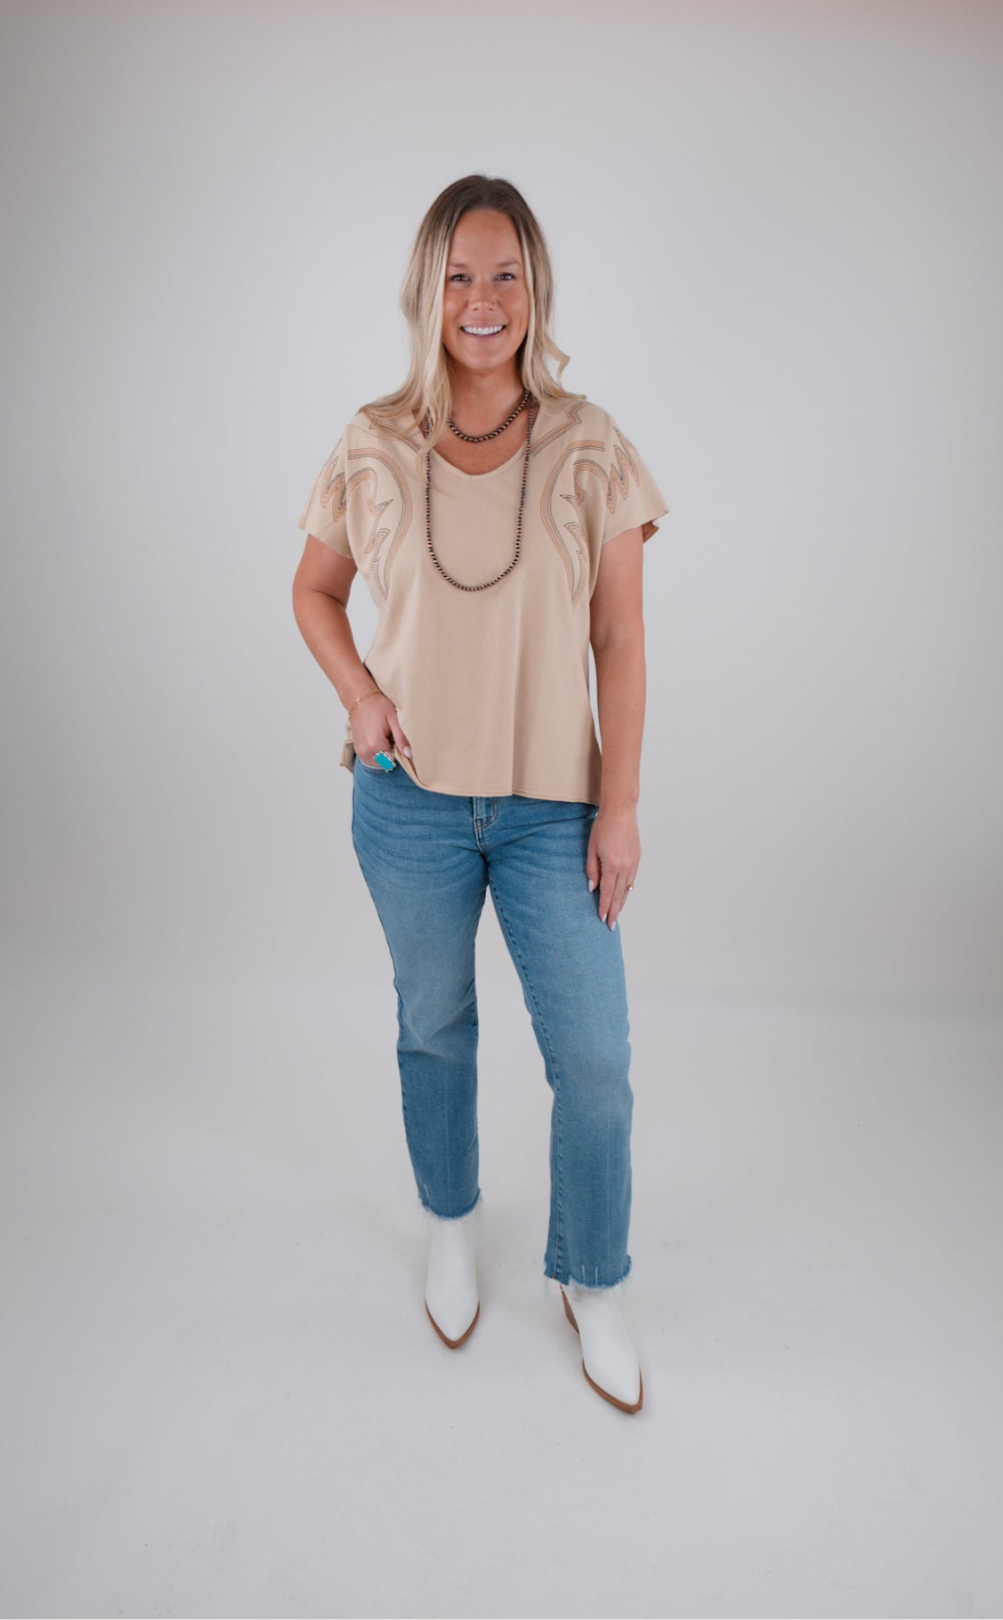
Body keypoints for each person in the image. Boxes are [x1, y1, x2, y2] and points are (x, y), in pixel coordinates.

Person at [292, 175, 668, 1414]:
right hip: (407, 801)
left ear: (535, 290)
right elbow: (312, 591)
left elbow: (621, 637)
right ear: (427, 292)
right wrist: (359, 694)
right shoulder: (371, 441)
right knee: (433, 1022)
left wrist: (620, 805)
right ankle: (451, 1223)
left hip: (556, 810)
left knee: (595, 1058)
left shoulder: (592, 445)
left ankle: (592, 1279)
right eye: (459, 275)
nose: (483, 299)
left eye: (506, 274)